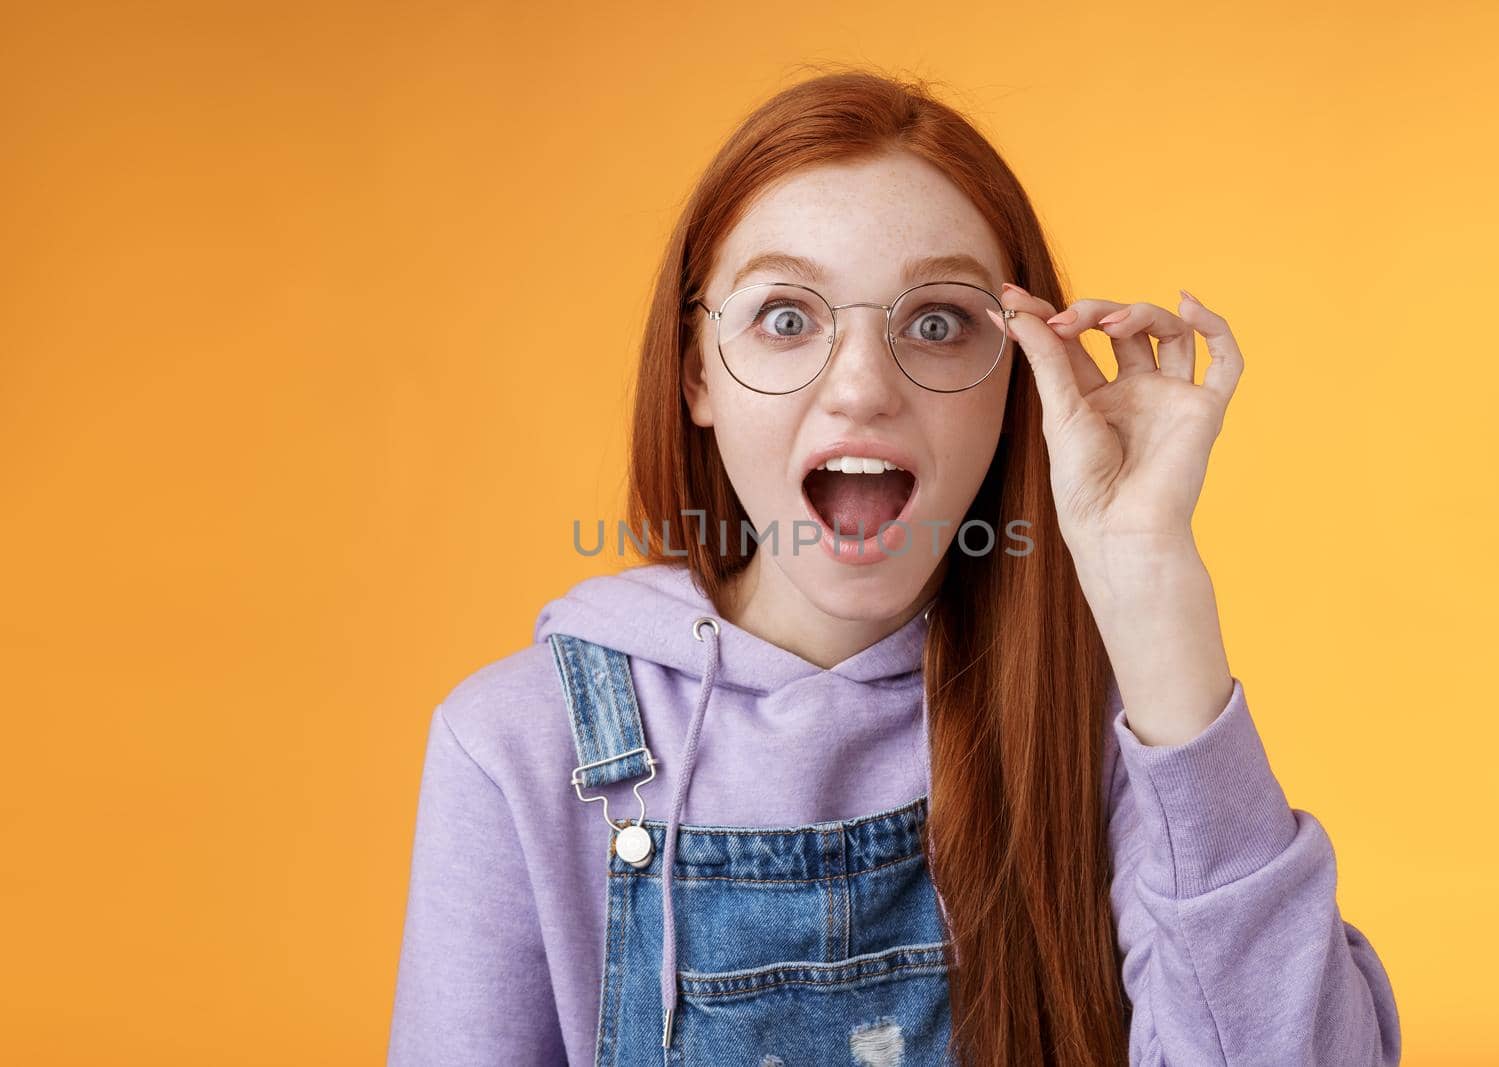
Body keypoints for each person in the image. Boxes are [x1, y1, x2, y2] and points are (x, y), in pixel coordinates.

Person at [386, 69, 1402, 1067]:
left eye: (938, 320)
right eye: (787, 317)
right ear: (699, 372)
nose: (862, 389)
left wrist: (1152, 587)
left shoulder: (1112, 730)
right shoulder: (517, 748)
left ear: (1020, 379)